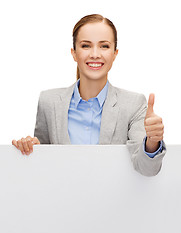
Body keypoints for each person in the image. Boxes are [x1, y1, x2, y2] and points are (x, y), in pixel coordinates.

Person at [12, 14, 166, 176]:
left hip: (112, 198)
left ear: (115, 53)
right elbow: (42, 164)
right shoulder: (48, 102)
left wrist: (152, 142)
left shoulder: (133, 104)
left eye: (104, 46)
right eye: (86, 46)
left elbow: (147, 169)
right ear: (74, 53)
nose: (95, 54)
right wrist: (29, 147)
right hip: (61, 197)